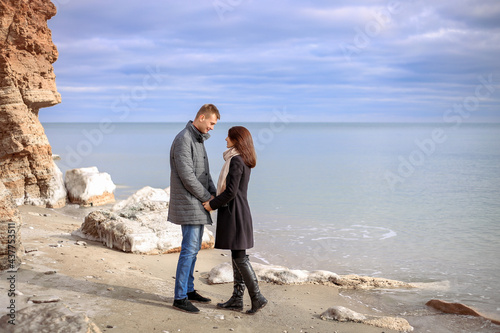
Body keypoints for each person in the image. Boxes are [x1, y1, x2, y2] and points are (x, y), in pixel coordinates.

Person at [203, 126, 268, 315]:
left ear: (236, 139)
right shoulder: (242, 159)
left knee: (240, 257)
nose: (225, 139)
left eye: (228, 137)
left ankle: (257, 297)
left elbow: (231, 192)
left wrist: (212, 205)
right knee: (237, 256)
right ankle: (237, 299)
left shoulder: (236, 160)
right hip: (238, 211)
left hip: (235, 213)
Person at [168, 104, 220, 313]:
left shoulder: (197, 139)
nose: (212, 128)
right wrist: (208, 198)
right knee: (189, 250)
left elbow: (204, 173)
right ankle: (180, 297)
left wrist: (215, 194)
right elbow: (187, 176)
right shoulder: (184, 139)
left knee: (194, 249)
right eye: (211, 123)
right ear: (201, 117)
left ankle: (188, 290)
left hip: (196, 202)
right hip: (189, 203)